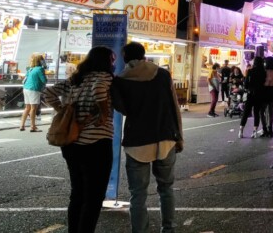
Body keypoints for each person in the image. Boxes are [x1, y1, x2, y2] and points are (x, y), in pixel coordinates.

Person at [111, 42, 184, 233]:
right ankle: (168, 229)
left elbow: (122, 109)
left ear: (125, 58)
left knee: (138, 194)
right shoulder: (163, 74)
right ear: (144, 56)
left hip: (137, 143)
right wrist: (179, 136)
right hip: (165, 139)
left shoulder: (119, 80)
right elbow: (174, 107)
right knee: (166, 189)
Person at [43, 46, 114, 233]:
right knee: (94, 196)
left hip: (71, 142)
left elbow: (48, 93)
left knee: (77, 193)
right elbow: (99, 89)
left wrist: (62, 111)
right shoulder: (104, 77)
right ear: (106, 61)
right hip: (96, 142)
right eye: (112, 60)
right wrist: (104, 112)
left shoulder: (75, 79)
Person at [239, 57, 266, 138]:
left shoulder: (250, 71)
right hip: (259, 94)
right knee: (256, 113)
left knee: (246, 112)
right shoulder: (263, 72)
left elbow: (246, 84)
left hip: (250, 94)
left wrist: (248, 88)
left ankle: (241, 131)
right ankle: (254, 132)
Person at [20, 54, 47, 132]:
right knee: (33, 108)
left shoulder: (30, 69)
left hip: (26, 88)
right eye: (42, 60)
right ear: (40, 61)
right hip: (34, 89)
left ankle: (22, 125)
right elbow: (44, 80)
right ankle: (33, 126)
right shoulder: (40, 69)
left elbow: (26, 78)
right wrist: (44, 69)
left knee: (27, 107)